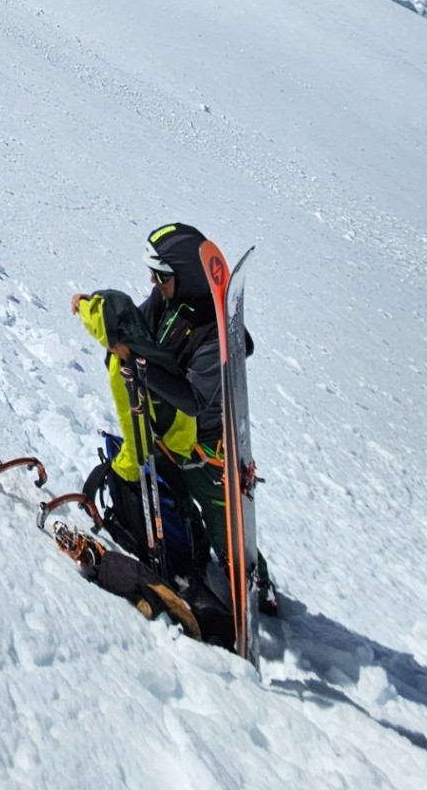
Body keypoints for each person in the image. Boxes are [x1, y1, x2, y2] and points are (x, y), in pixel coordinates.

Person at [70, 221, 277, 617]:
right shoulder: (168, 298)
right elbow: (138, 326)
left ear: (184, 275)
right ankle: (191, 551)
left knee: (227, 531)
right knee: (174, 503)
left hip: (206, 450)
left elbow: (195, 399)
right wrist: (94, 309)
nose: (154, 282)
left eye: (161, 276)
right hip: (167, 434)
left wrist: (141, 366)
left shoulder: (214, 333)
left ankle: (258, 587)